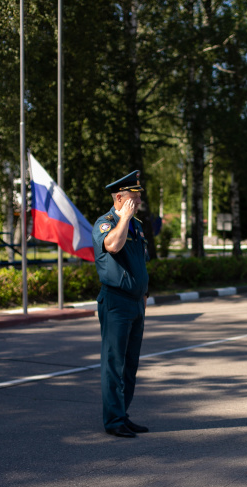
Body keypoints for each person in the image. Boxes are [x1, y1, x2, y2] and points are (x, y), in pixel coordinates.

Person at [92, 170, 151, 438]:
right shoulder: (106, 223)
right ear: (119, 198)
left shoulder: (136, 225)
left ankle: (123, 414)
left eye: (137, 197)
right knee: (114, 363)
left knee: (130, 363)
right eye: (133, 197)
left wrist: (144, 297)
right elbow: (113, 247)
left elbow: (140, 265)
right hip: (116, 301)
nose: (137, 201)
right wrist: (124, 218)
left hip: (136, 303)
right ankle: (113, 420)